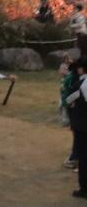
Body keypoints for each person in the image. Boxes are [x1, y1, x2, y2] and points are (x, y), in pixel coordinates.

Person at [66, 58, 87, 198]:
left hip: (82, 127)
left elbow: (68, 100)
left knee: (84, 159)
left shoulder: (80, 85)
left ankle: (84, 189)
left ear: (81, 69)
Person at [62, 59, 79, 169]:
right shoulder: (73, 78)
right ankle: (74, 157)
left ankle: (74, 158)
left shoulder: (73, 78)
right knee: (78, 134)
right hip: (74, 108)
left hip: (75, 109)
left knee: (78, 134)